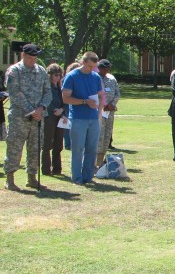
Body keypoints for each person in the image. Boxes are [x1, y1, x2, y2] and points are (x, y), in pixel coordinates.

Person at [3, 44, 52, 191]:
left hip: (37, 118)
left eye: (35, 58)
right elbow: (14, 93)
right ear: (23, 56)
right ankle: (10, 179)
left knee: (35, 148)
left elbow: (48, 92)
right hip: (20, 117)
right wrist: (32, 110)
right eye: (29, 57)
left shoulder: (41, 71)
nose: (32, 61)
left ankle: (32, 178)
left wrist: (41, 108)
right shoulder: (14, 71)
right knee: (15, 147)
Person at [62, 51, 104, 185]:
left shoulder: (96, 77)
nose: (92, 69)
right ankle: (76, 177)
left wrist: (99, 111)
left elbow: (101, 95)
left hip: (93, 118)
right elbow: (66, 98)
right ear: (83, 62)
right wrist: (84, 101)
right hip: (78, 118)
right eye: (89, 66)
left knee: (92, 149)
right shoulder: (72, 76)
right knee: (78, 149)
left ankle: (88, 176)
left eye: (94, 66)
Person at [42, 63, 68, 176]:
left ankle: (57, 169)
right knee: (47, 144)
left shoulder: (60, 88)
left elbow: (66, 102)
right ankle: (46, 169)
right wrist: (56, 111)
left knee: (58, 144)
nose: (58, 77)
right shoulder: (47, 87)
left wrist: (62, 111)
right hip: (49, 117)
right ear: (50, 75)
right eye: (55, 75)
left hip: (60, 117)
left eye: (59, 75)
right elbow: (47, 102)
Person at [96, 59, 120, 168]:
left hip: (109, 112)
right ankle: (95, 163)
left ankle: (101, 161)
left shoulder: (111, 78)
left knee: (107, 136)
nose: (107, 70)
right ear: (99, 68)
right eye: (104, 68)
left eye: (108, 68)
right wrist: (102, 105)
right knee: (98, 137)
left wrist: (112, 104)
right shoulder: (95, 78)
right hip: (98, 112)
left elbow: (117, 93)